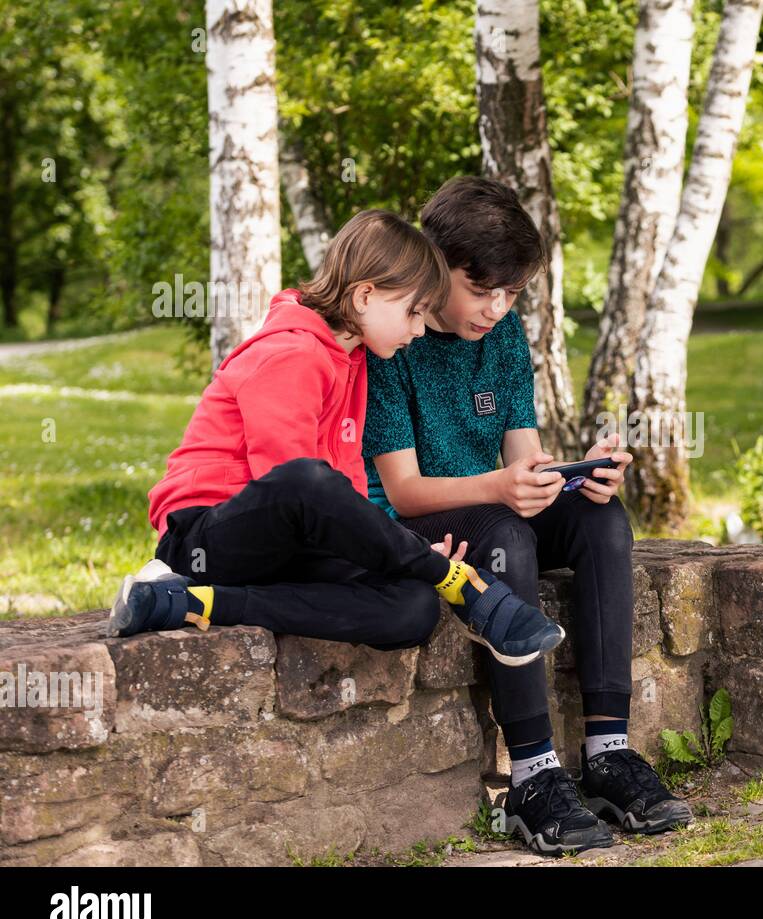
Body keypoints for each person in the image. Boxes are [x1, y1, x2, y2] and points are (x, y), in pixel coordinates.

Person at [364, 178, 693, 856]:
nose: (495, 307)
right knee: (508, 533)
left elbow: (524, 459)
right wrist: (502, 487)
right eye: (480, 288)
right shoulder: (395, 336)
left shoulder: (507, 334)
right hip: (428, 524)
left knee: (603, 520)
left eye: (511, 292)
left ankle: (607, 753)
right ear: (434, 264)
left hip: (492, 502)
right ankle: (533, 774)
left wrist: (575, 476)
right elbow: (401, 491)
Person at [107, 209, 564, 669]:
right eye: (413, 312)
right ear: (366, 295)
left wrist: (396, 550)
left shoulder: (355, 362)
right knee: (310, 479)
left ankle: (194, 602)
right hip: (207, 535)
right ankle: (461, 583)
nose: (419, 330)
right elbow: (294, 488)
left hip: (276, 550)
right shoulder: (292, 352)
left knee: (412, 608)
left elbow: (343, 498)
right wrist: (405, 552)